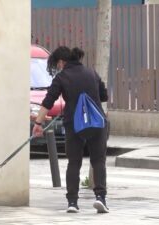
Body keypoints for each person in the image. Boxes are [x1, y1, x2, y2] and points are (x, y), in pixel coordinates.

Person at [32, 46, 109, 213]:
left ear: (61, 62)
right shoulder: (91, 73)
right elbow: (104, 96)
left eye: (56, 65)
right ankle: (100, 198)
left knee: (74, 162)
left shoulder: (62, 77)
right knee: (98, 161)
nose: (57, 68)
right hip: (97, 123)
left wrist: (38, 124)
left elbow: (48, 102)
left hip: (74, 125)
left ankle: (72, 202)